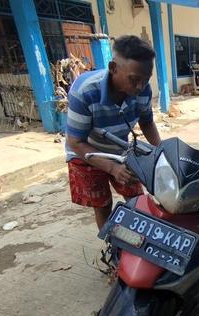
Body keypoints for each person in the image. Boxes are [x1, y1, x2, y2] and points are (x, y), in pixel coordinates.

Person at [65, 35, 162, 230]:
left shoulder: (143, 89)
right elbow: (75, 141)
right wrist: (111, 168)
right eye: (134, 80)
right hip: (85, 153)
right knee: (103, 205)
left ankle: (140, 243)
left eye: (145, 80)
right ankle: (113, 248)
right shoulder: (84, 92)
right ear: (113, 68)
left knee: (137, 200)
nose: (140, 87)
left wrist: (162, 152)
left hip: (119, 149)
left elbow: (147, 122)